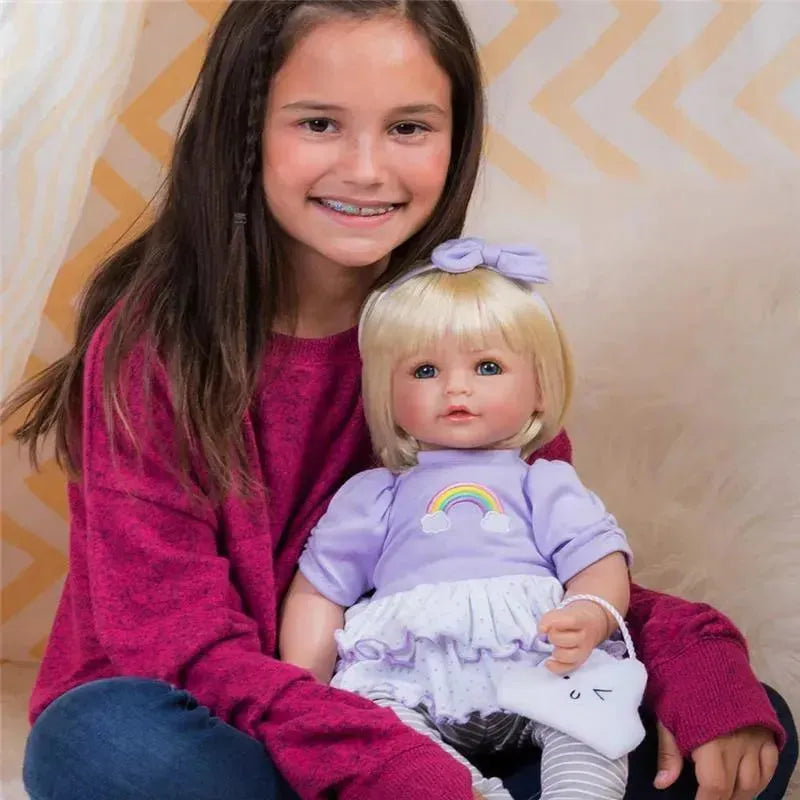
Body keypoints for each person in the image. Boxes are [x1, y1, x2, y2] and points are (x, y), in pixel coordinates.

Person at [3, 2, 794, 799]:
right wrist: (388, 767)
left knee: (747, 720)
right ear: (244, 131)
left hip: (441, 710)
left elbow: (536, 579)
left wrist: (694, 652)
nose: (366, 169)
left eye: (409, 127)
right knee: (101, 741)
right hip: (227, 717)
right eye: (318, 123)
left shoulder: (460, 339)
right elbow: (179, 642)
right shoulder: (156, 349)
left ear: (457, 137)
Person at [282, 237, 641, 800]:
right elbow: (319, 590)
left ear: (540, 389)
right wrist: (307, 687)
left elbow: (598, 563)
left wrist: (590, 615)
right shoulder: (375, 494)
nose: (455, 387)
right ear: (387, 393)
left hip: (538, 662)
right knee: (376, 728)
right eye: (425, 369)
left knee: (597, 719)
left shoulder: (544, 482)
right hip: (412, 674)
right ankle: (459, 790)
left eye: (487, 366)